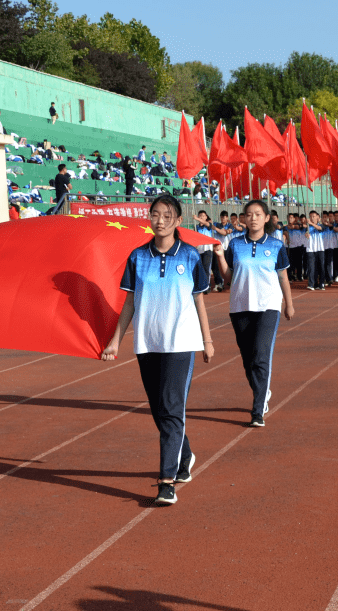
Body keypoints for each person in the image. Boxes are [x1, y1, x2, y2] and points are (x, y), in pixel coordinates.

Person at [102, 195, 214, 506]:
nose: (160, 220)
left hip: (181, 343)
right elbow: (129, 303)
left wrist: (207, 340)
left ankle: (167, 482)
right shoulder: (138, 257)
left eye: (167, 215)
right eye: (155, 214)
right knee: (159, 409)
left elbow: (199, 301)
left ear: (178, 221)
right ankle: (185, 455)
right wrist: (116, 340)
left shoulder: (190, 256)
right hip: (148, 343)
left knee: (171, 406)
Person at [213, 199, 293, 428]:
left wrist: (289, 303)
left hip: (268, 306)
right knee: (248, 359)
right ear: (244, 219)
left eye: (258, 214)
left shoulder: (276, 245)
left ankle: (257, 410)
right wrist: (220, 256)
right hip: (240, 307)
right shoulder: (235, 244)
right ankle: (262, 391)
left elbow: (282, 277)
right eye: (249, 214)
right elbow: (228, 277)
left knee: (260, 355)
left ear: (266, 218)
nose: (253, 218)